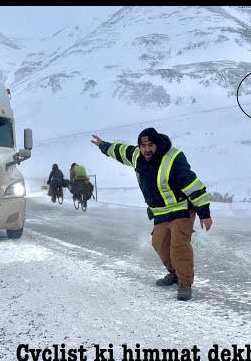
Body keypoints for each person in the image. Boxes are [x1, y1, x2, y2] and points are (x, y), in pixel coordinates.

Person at [91, 127, 212, 301]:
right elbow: (120, 151)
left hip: (181, 209)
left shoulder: (173, 158)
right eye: (143, 145)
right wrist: (103, 145)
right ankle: (174, 274)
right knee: (159, 243)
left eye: (151, 145)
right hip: (160, 212)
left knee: (178, 246)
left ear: (157, 144)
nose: (147, 149)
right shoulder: (136, 156)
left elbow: (191, 184)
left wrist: (204, 212)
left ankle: (185, 283)